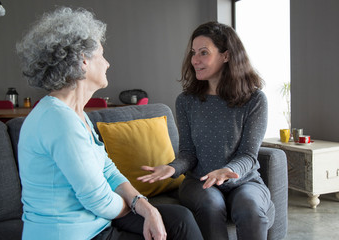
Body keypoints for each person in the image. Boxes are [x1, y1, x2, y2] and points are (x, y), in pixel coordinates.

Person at [16, 7, 203, 240]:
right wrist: (140, 209)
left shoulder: (77, 115)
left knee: (179, 219)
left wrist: (146, 207)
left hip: (95, 221)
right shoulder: (58, 120)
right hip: (72, 234)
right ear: (83, 60)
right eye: (102, 55)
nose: (107, 64)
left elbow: (107, 169)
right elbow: (99, 200)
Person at [138, 21, 272, 240]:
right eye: (193, 53)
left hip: (245, 181)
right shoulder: (186, 101)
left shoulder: (255, 100)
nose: (195, 60)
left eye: (203, 53)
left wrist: (227, 170)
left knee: (249, 206)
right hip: (199, 182)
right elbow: (188, 154)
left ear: (226, 56)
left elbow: (248, 154)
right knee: (211, 204)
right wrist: (173, 169)